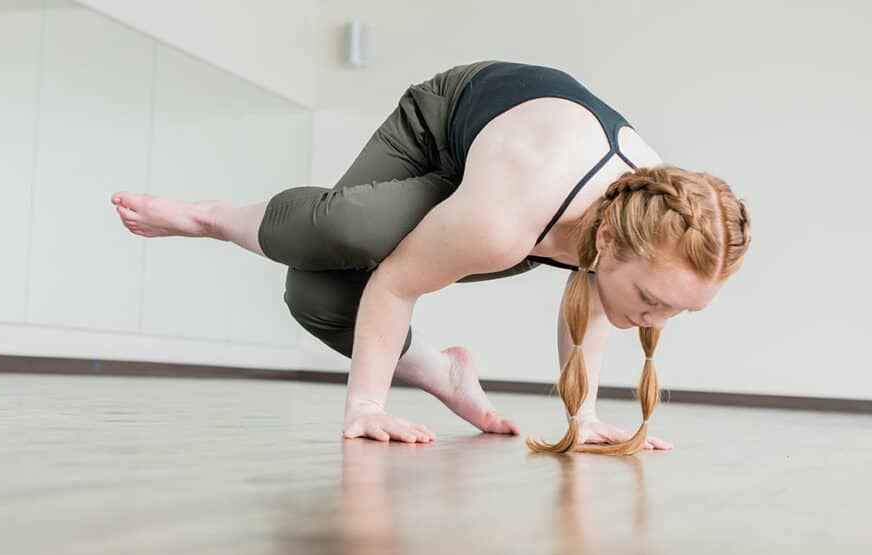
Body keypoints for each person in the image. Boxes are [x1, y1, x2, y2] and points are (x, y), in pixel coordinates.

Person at [109, 61, 752, 454]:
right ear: (609, 238)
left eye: (675, 312)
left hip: (514, 187)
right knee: (347, 231)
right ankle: (208, 217)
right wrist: (364, 406)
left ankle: (443, 373)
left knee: (316, 302)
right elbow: (393, 285)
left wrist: (581, 415)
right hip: (443, 129)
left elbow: (593, 294)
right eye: (653, 303)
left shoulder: (644, 223)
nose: (654, 322)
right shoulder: (506, 221)